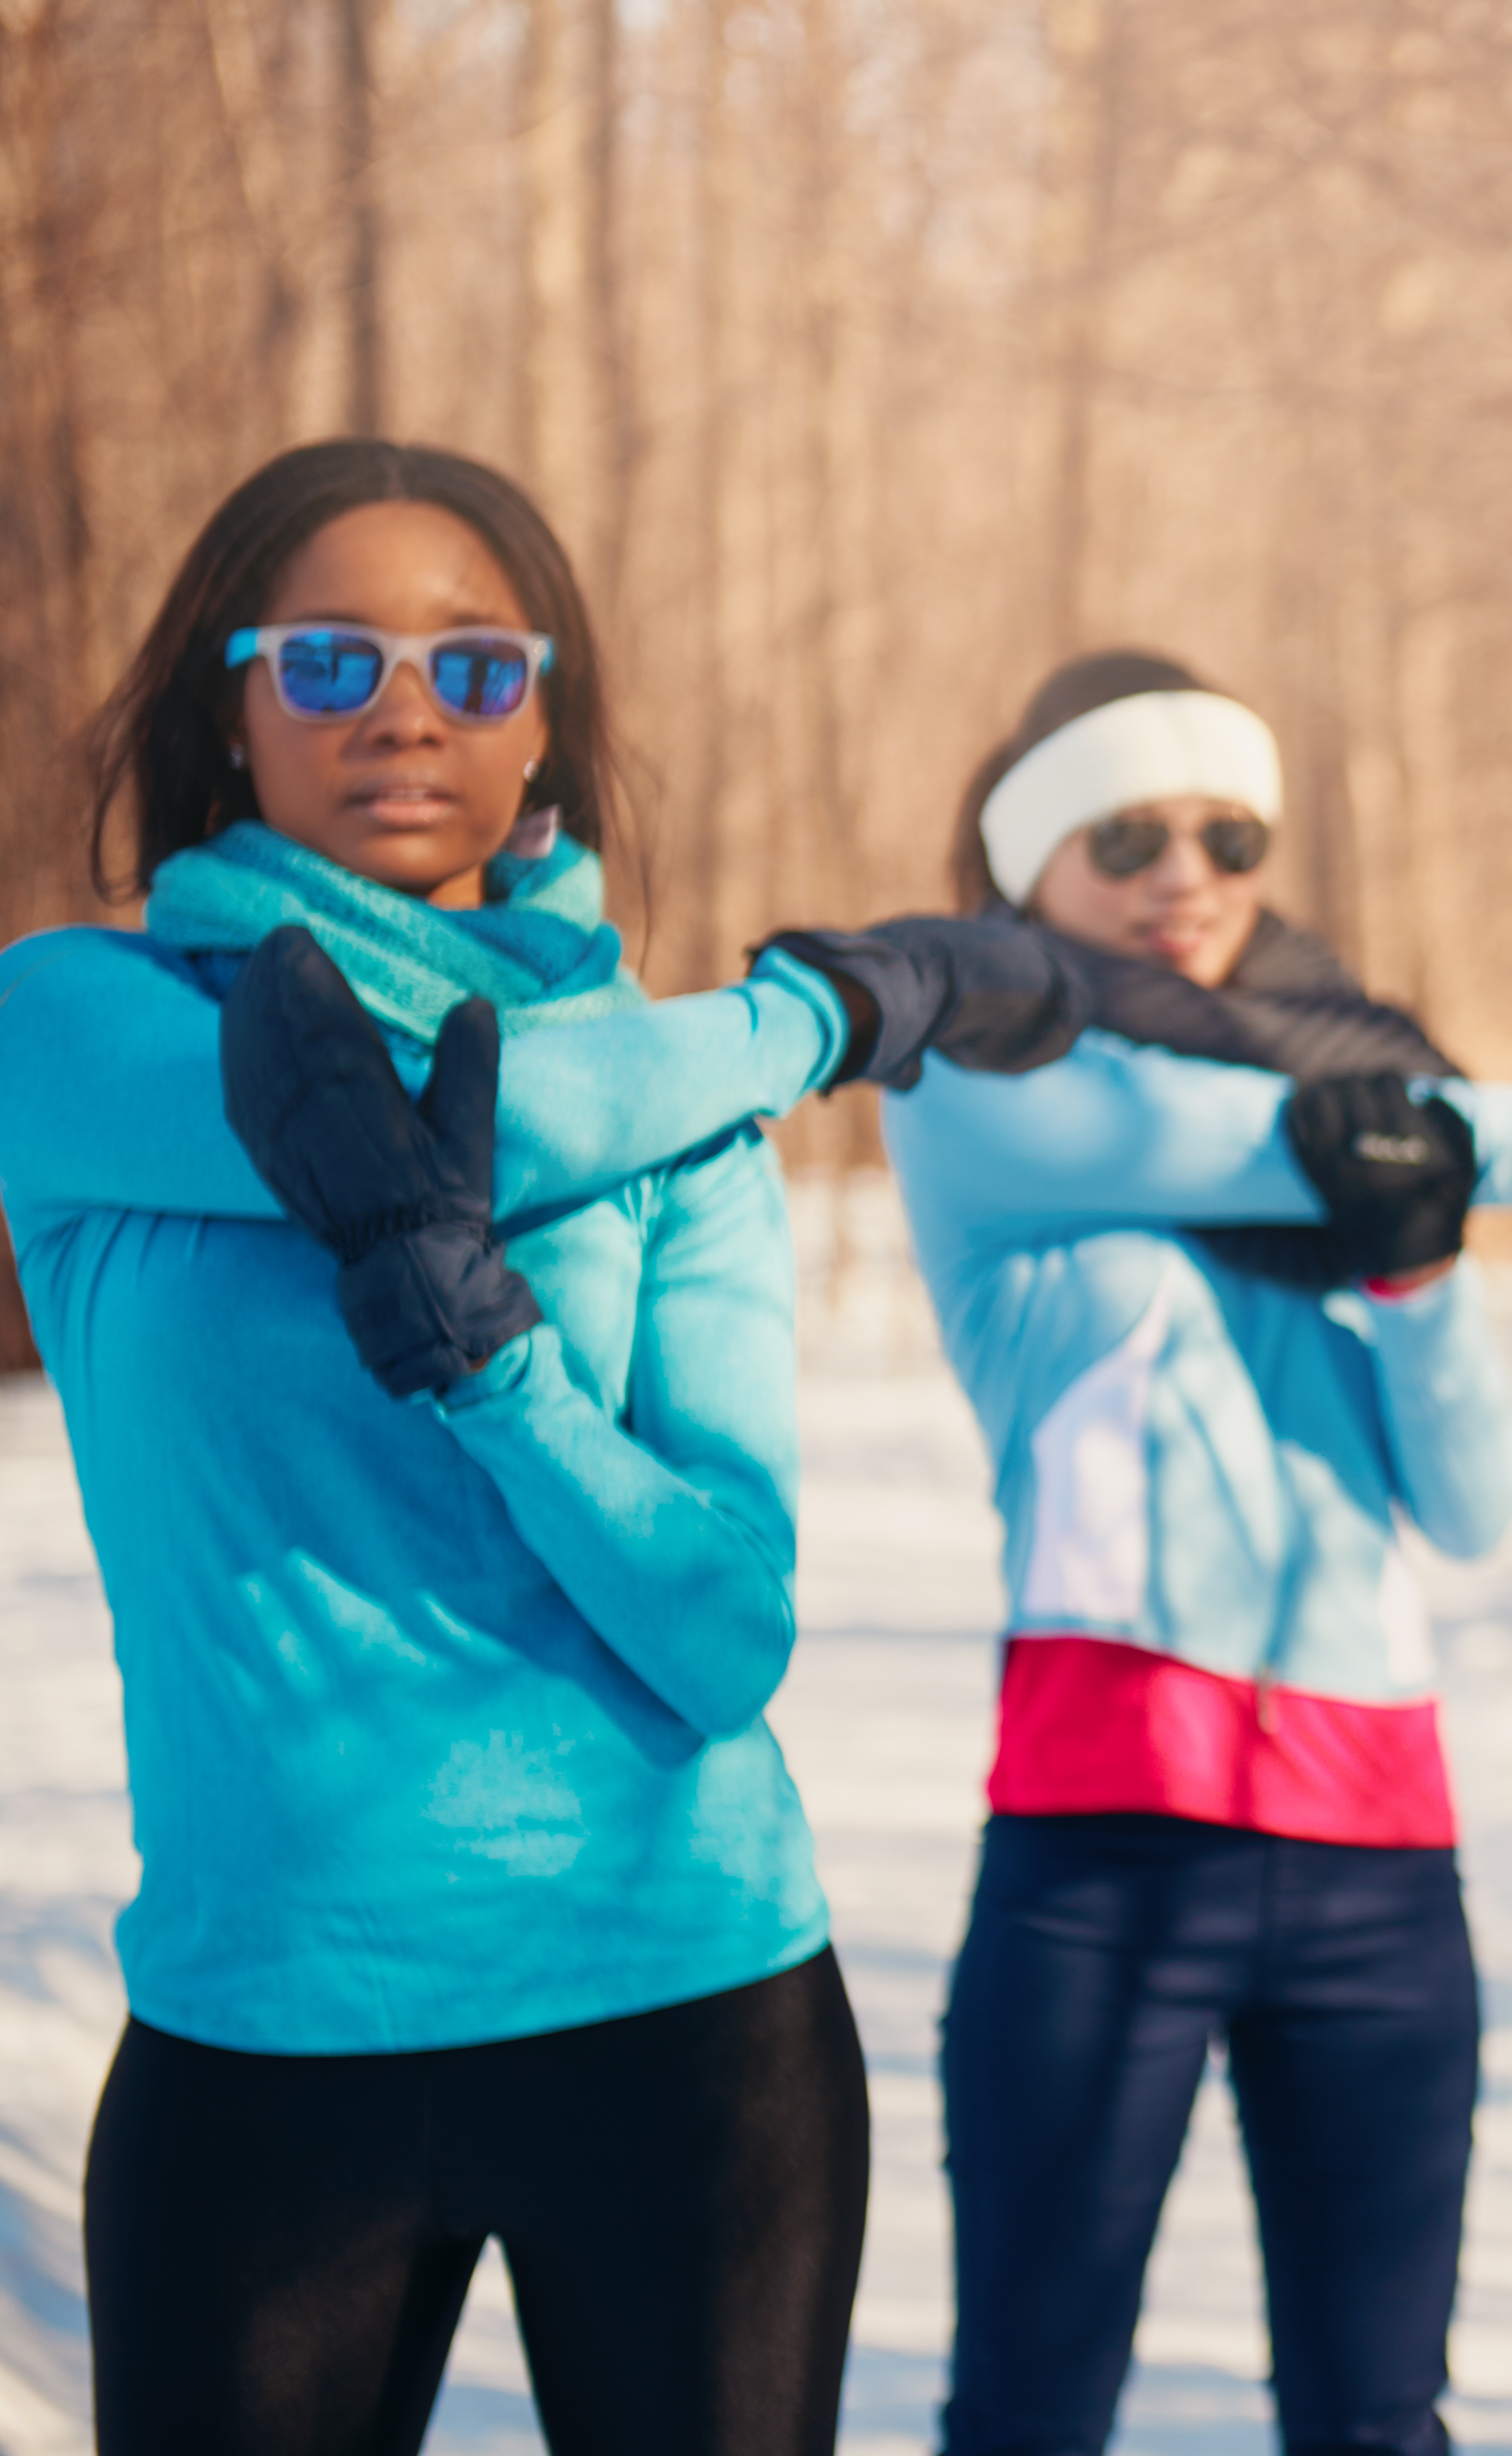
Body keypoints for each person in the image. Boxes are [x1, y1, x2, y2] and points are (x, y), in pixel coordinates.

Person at [0, 438, 1041, 2454]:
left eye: (479, 667)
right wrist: (811, 1018)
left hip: (686, 2016)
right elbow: (438, 1107)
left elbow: (725, 1629)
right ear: (228, 699)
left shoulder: (685, 1132)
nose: (406, 709)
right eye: (330, 661)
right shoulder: (72, 1032)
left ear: (548, 714)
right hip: (272, 2027)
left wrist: (502, 1378)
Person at [882, 651, 1512, 2456]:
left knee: (1381, 2426)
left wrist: (1423, 1261)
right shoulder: (990, 1092)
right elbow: (1282, 1138)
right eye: (1123, 832)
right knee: (1029, 2413)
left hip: (1379, 1866)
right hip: (1103, 1849)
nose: (1186, 874)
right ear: (1024, 872)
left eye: (1227, 830)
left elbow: (1461, 1510)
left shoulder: (1359, 1109)